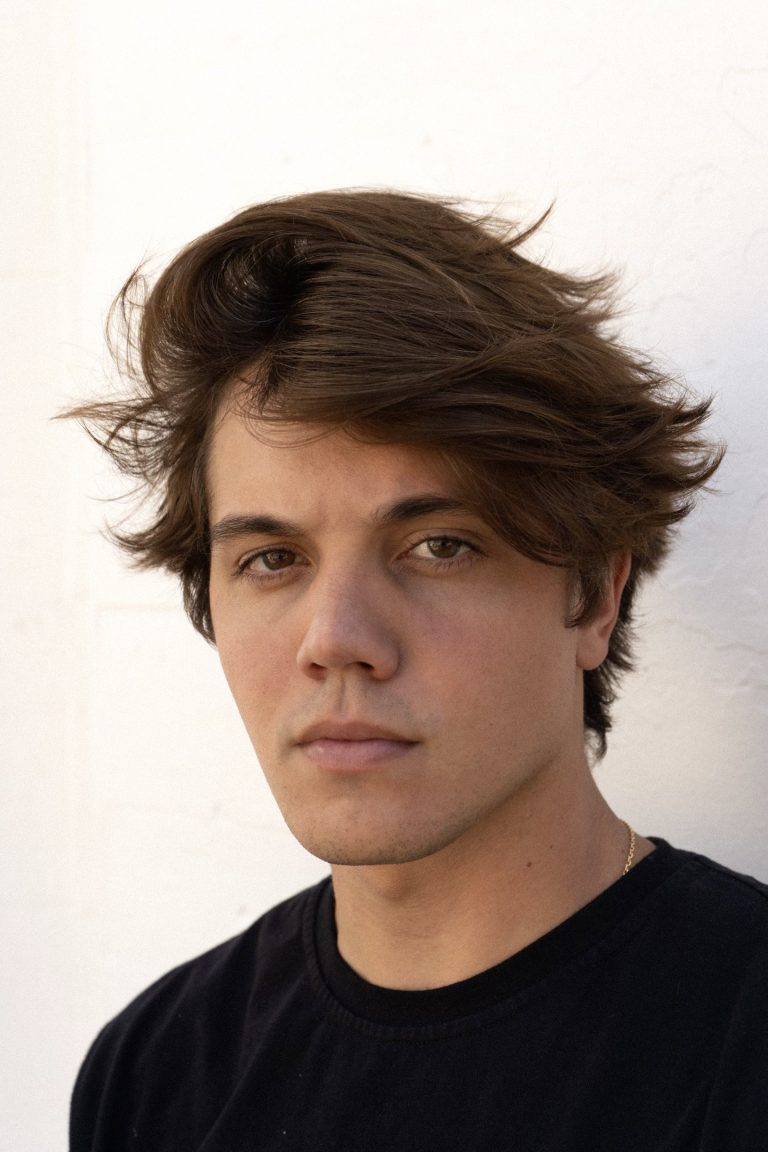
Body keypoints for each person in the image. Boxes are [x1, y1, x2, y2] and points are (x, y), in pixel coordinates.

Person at [65, 190, 768, 1150]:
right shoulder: (154, 1074)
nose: (336, 638)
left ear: (596, 596)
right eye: (272, 559)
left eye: (439, 546)